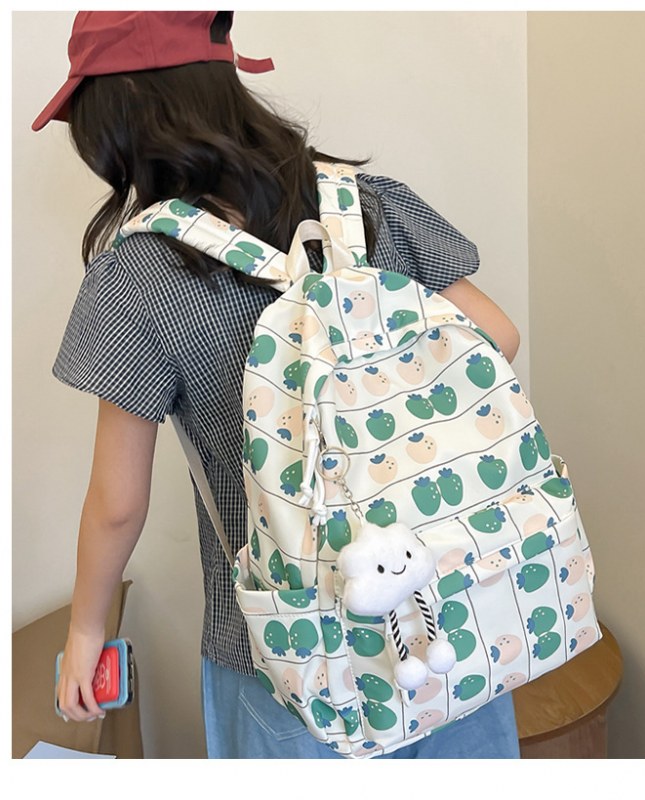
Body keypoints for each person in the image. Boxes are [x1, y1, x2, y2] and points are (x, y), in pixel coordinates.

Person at [34, 11, 522, 759]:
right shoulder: (369, 202)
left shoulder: (139, 273)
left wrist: (85, 629)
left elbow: (117, 503)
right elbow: (497, 338)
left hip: (287, 650)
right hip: (445, 607)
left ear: (122, 115)